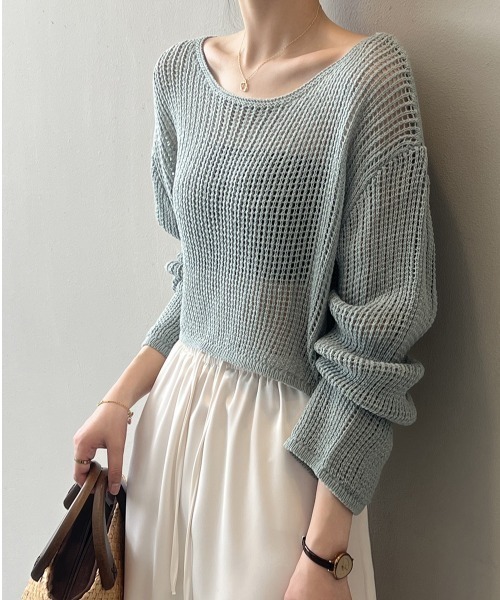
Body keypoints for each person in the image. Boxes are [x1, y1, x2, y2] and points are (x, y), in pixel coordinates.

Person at [72, 1, 438, 599]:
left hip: (283, 454)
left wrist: (325, 555)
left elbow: (378, 340)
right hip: (168, 433)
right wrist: (120, 398)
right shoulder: (180, 75)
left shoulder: (369, 80)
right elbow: (201, 281)